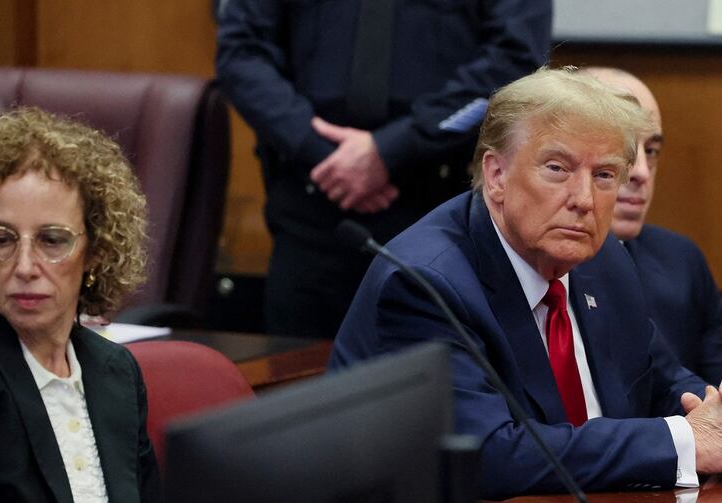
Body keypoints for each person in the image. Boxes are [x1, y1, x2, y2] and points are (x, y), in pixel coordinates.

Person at [330, 67, 722, 499]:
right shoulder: (425, 283)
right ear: (496, 175)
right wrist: (686, 442)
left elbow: (662, 381)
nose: (584, 200)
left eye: (604, 175)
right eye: (557, 169)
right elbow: (489, 455)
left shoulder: (603, 259)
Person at [215, 0, 553, 338]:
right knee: (299, 365)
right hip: (313, 205)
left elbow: (515, 62)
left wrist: (395, 148)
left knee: (437, 365)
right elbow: (241, 53)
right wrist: (317, 149)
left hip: (441, 209)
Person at [0, 108, 165, 503]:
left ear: (94, 251)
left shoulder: (114, 372)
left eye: (52, 240)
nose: (24, 267)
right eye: (2, 239)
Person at [584, 67, 722, 385]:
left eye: (651, 151)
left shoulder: (682, 261)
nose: (640, 172)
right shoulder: (540, 271)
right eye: (621, 148)